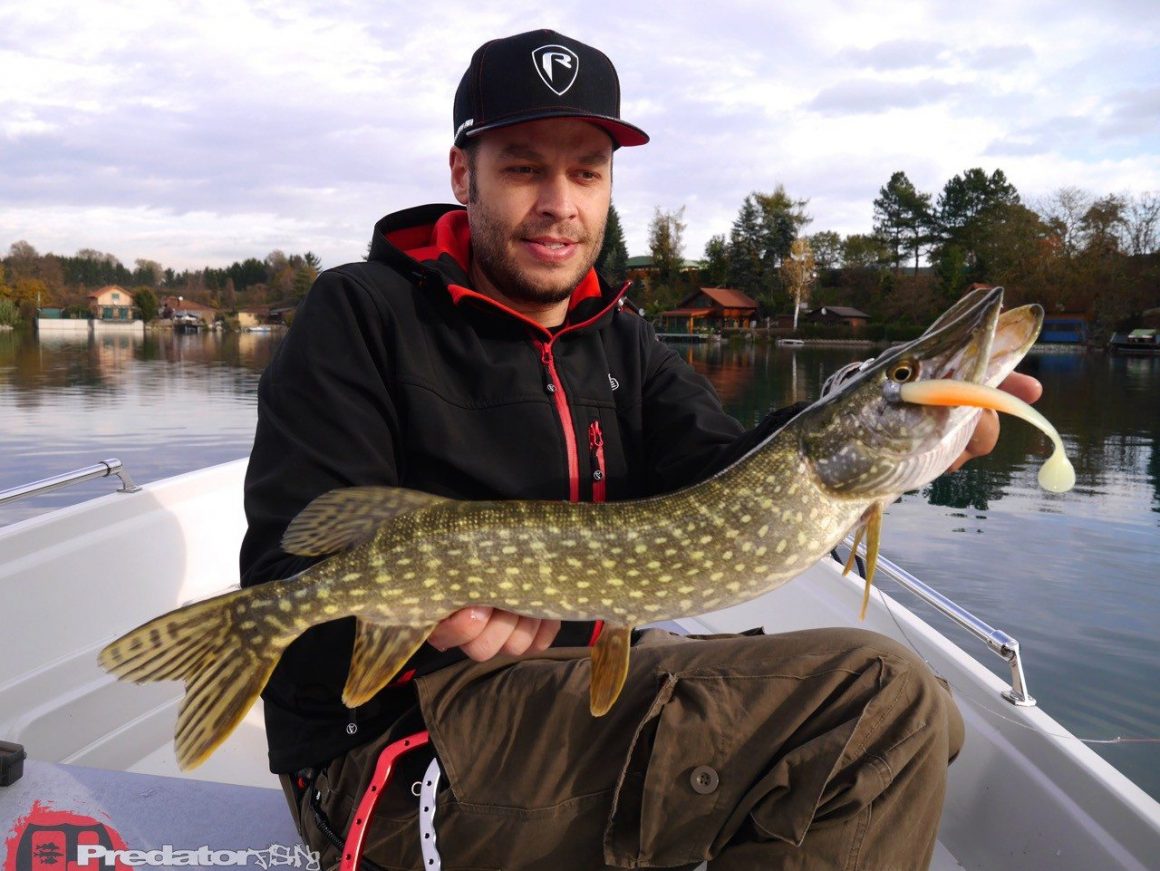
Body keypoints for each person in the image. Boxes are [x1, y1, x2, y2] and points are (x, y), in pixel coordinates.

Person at [240, 28, 1039, 870]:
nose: (560, 202)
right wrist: (427, 618)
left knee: (930, 714)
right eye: (523, 167)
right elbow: (293, 572)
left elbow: (729, 474)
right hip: (391, 754)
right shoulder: (361, 314)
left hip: (567, 692)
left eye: (586, 171)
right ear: (460, 172)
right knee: (887, 702)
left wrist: (897, 432)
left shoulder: (618, 339)